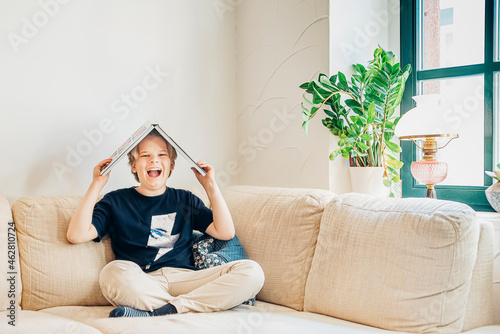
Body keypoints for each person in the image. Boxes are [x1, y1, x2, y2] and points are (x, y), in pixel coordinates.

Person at [66, 129, 265, 318]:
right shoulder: (115, 201)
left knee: (252, 272)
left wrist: (210, 187)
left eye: (162, 155)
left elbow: (225, 232)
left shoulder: (185, 199)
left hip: (186, 279)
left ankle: (163, 310)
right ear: (134, 166)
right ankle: (181, 307)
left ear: (171, 165)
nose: (154, 159)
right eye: (145, 156)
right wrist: (97, 184)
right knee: (111, 273)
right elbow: (76, 235)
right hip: (142, 280)